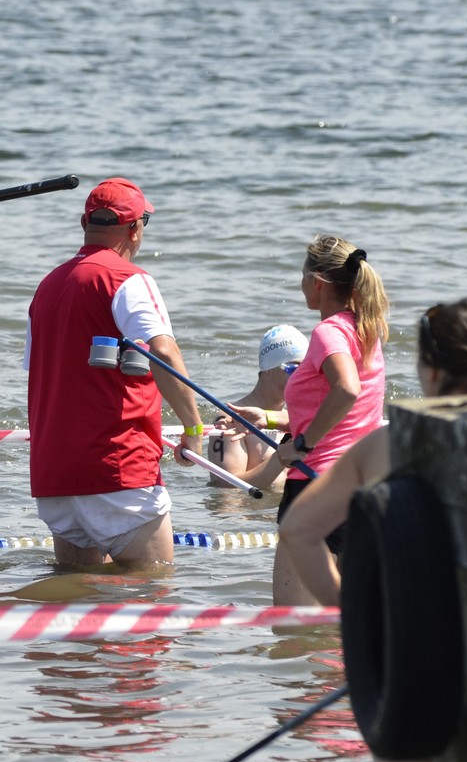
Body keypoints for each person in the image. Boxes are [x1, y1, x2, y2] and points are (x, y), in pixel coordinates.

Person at [280, 299, 467, 762]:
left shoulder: (389, 442)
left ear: (427, 370)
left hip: (410, 666)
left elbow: (298, 529)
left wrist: (353, 612)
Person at [24, 177, 205, 567]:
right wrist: (193, 429)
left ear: (84, 223)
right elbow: (164, 352)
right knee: (154, 587)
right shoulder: (129, 279)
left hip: (55, 474)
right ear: (135, 229)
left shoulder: (47, 286)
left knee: (76, 594)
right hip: (118, 469)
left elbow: (40, 370)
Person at [227, 233, 389, 605]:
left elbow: (346, 390)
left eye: (302, 275)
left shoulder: (328, 331)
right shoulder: (366, 330)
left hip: (316, 487)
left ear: (317, 282)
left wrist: (302, 444)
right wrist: (272, 419)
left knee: (294, 626)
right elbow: (349, 415)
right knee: (347, 619)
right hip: (361, 484)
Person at [203, 324, 307, 490]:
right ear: (268, 369)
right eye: (293, 369)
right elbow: (226, 489)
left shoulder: (296, 418)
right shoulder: (231, 419)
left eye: (307, 369)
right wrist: (279, 459)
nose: (303, 377)